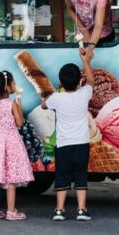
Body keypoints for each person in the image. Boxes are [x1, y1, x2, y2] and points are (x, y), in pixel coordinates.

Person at [41, 49, 95, 221]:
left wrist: (56, 93)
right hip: (81, 143)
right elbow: (92, 82)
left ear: (60, 82)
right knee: (80, 175)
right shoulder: (84, 93)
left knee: (62, 176)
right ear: (80, 81)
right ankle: (81, 210)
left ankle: (59, 210)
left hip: (63, 145)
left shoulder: (57, 98)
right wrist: (86, 62)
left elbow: (43, 105)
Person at [0, 70, 34, 221]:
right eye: (13, 83)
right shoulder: (12, 103)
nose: (15, 85)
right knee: (11, 179)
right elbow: (20, 122)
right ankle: (11, 211)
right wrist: (19, 103)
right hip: (11, 142)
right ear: (8, 87)